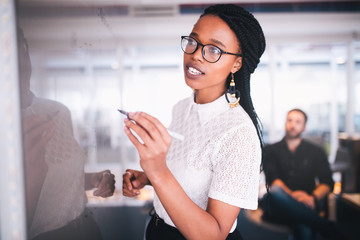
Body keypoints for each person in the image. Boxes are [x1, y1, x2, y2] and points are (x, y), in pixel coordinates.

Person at [122, 4, 265, 240]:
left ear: (236, 64)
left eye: (214, 50)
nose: (196, 54)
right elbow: (189, 176)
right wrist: (147, 177)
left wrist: (157, 170)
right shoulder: (181, 108)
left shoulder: (238, 132)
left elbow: (213, 235)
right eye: (193, 42)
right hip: (157, 230)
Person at [17, 27, 116, 240]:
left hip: (87, 229)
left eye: (22, 48)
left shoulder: (58, 111)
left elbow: (63, 180)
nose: (20, 63)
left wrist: (96, 179)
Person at [260, 108, 345, 240]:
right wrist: (295, 198)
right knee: (276, 191)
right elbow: (274, 180)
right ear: (285, 123)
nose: (293, 125)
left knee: (303, 223)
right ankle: (330, 230)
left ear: (304, 127)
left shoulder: (316, 152)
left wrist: (313, 198)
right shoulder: (270, 150)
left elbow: (327, 182)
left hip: (308, 203)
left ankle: (318, 222)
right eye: (290, 120)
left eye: (298, 122)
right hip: (278, 206)